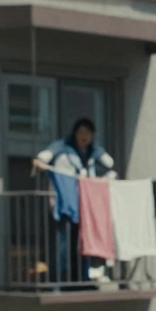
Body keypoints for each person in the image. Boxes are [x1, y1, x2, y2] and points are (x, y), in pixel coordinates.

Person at [33, 119, 116, 283]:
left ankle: (82, 278)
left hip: (86, 207)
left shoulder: (92, 153)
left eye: (88, 133)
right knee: (62, 243)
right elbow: (43, 157)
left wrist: (97, 150)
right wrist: (41, 164)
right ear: (74, 133)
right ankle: (59, 280)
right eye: (81, 132)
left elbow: (109, 163)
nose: (84, 136)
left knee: (84, 243)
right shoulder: (62, 147)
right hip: (64, 204)